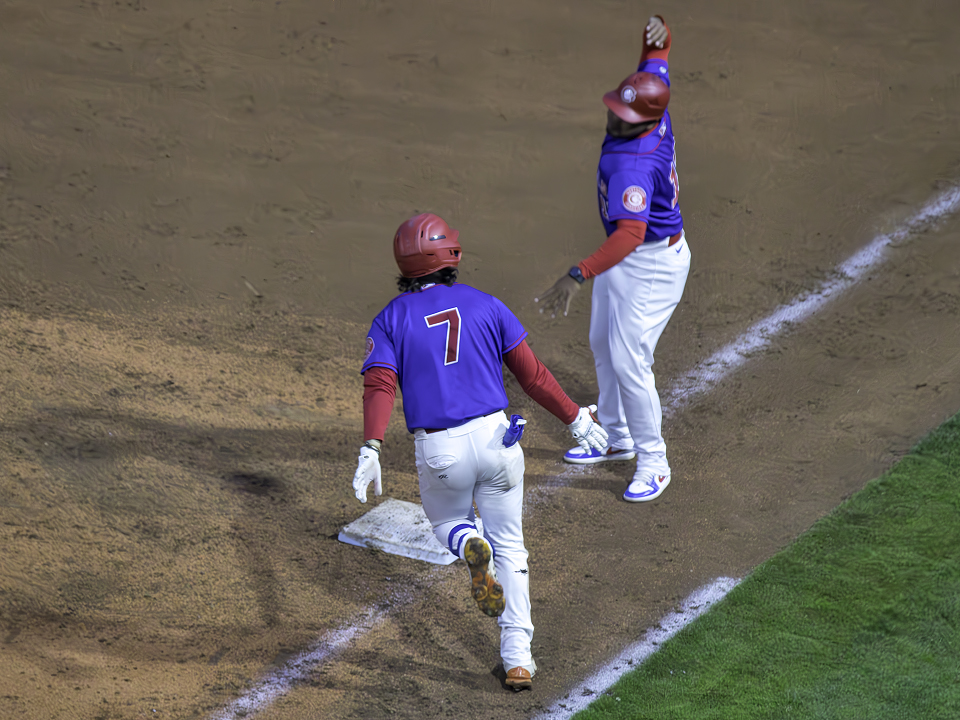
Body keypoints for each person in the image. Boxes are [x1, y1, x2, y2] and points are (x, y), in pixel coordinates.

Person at [352, 212, 608, 690]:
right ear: (453, 255)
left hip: (442, 452)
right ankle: (518, 659)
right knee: (512, 547)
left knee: (447, 522)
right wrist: (575, 418)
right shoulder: (488, 305)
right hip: (499, 440)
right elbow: (532, 376)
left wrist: (372, 445)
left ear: (403, 264)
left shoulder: (390, 318)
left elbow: (380, 383)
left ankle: (468, 542)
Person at [535, 14, 691, 503]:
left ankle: (654, 460)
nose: (613, 119)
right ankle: (618, 436)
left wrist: (577, 274)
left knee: (630, 362)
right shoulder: (652, 102)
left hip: (650, 264)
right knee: (602, 341)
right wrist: (656, 43)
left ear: (644, 122)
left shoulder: (634, 165)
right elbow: (656, 67)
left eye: (623, 118)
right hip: (630, 259)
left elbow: (629, 234)